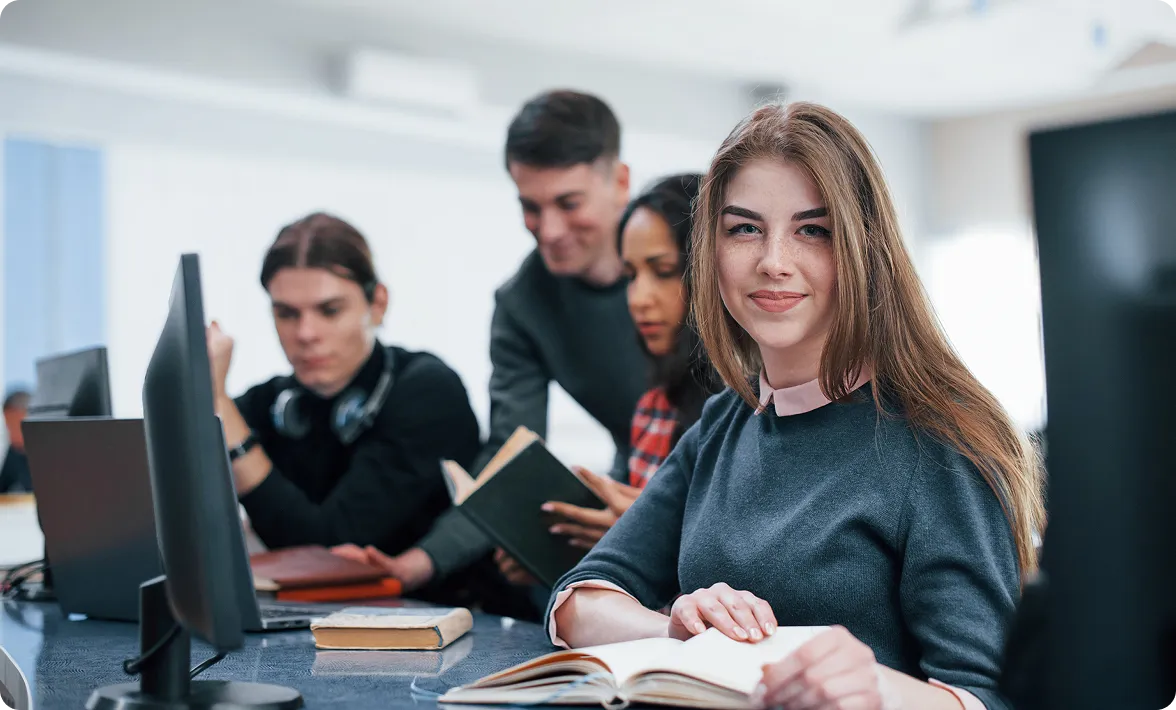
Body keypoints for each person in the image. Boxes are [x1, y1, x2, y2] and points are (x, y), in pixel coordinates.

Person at [547, 103, 1046, 710]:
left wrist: (878, 689)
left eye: (813, 230)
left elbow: (989, 697)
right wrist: (677, 628)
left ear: (864, 252)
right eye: (744, 229)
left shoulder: (940, 444)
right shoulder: (725, 422)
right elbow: (578, 602)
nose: (773, 261)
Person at [371, 90, 650, 592]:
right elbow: (508, 456)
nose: (548, 230)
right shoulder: (523, 304)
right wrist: (418, 563)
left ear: (620, 183)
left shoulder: (701, 251)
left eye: (569, 203)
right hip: (634, 497)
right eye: (530, 207)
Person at [209, 212, 500, 608]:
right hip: (317, 630)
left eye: (329, 310)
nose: (306, 334)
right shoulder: (272, 402)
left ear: (377, 304)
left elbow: (326, 552)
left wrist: (219, 405)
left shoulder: (428, 390)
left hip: (449, 628)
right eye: (286, 313)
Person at [496, 173, 721, 585]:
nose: (638, 298)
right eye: (631, 275)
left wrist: (645, 532)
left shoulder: (754, 408)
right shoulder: (653, 407)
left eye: (664, 271)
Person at [0, 390, 32, 494]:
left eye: (16, 424)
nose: (11, 429)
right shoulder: (12, 454)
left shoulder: (41, 456)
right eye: (8, 424)